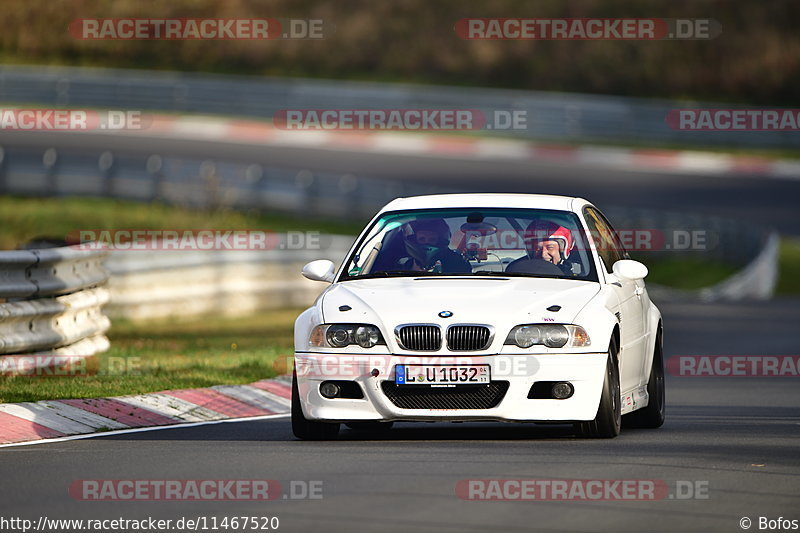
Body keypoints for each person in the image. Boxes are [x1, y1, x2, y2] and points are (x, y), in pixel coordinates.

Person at [386, 218, 472, 273]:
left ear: (440, 241)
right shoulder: (401, 264)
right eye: (422, 239)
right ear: (414, 240)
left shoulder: (457, 263)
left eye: (432, 239)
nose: (427, 243)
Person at [506, 220, 578, 276]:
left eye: (550, 247)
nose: (543, 254)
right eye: (538, 248)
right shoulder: (516, 270)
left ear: (563, 249)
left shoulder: (580, 275)